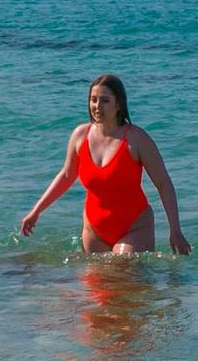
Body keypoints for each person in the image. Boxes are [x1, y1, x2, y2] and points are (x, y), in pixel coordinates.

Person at [19, 74, 188, 255]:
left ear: (118, 104)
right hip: (94, 230)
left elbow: (163, 183)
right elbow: (66, 175)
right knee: (96, 274)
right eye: (93, 100)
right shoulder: (80, 136)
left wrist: (175, 230)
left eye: (105, 101)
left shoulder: (137, 139)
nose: (97, 106)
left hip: (134, 227)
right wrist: (36, 212)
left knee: (124, 269)